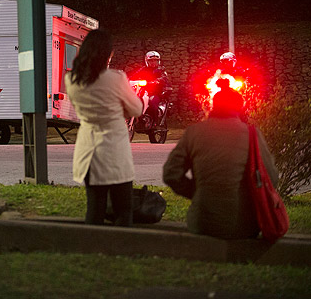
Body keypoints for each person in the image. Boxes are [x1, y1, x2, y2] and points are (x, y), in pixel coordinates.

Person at [162, 82, 278, 239]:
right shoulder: (252, 135)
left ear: (213, 106)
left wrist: (198, 193)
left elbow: (171, 174)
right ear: (240, 108)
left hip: (202, 222)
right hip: (245, 225)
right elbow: (271, 177)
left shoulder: (193, 132)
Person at [65, 28, 143, 226]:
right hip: (114, 150)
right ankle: (119, 248)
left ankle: (93, 246)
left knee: (95, 205)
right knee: (123, 207)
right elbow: (136, 109)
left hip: (88, 149)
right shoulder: (116, 78)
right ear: (107, 54)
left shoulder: (72, 79)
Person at [128, 51, 170, 125]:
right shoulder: (143, 69)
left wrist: (156, 81)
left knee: (152, 104)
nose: (153, 62)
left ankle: (155, 123)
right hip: (143, 92)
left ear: (158, 61)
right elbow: (133, 76)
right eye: (151, 61)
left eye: (155, 60)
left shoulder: (161, 70)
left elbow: (164, 78)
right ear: (147, 61)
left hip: (155, 93)